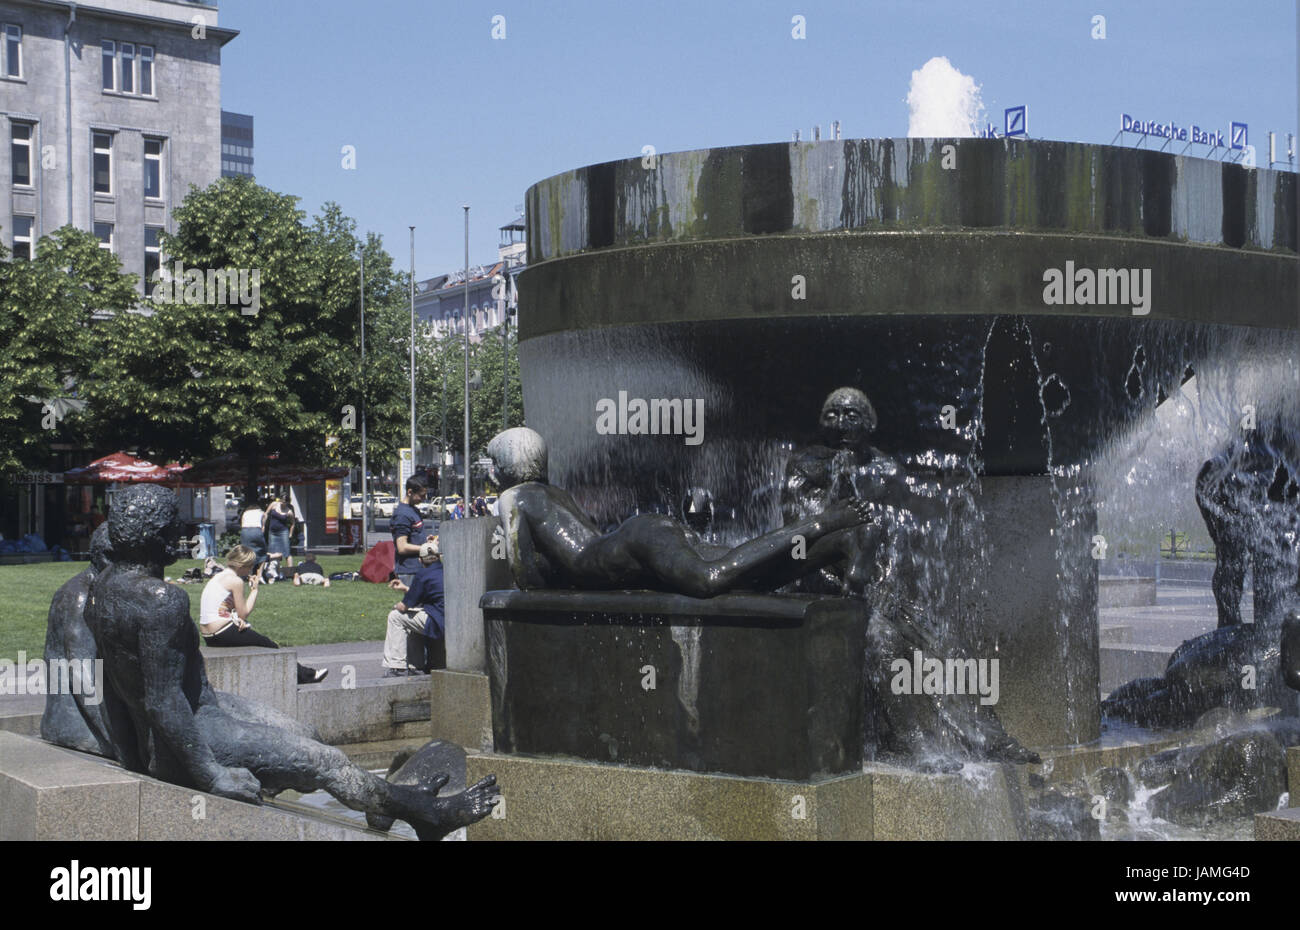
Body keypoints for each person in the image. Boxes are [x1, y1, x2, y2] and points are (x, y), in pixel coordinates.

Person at [81, 484, 498, 837]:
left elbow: (115, 689)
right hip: (199, 733)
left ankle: (378, 801)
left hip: (184, 726)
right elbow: (163, 701)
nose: (178, 532)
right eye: (172, 526)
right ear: (158, 534)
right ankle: (428, 815)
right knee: (324, 760)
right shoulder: (161, 601)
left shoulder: (102, 591)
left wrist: (129, 756)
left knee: (304, 731)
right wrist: (212, 775)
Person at [781, 387, 1039, 768]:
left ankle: (988, 736)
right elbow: (801, 540)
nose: (841, 423)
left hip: (879, 587)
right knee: (880, 638)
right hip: (825, 589)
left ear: (870, 424)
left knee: (941, 638)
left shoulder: (887, 470)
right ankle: (911, 744)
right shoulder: (805, 466)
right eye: (832, 414)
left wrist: (888, 585)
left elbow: (903, 540)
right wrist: (848, 587)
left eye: (851, 415)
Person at [488, 427, 873, 598]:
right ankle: (836, 546)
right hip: (637, 539)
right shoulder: (554, 492)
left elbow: (526, 575)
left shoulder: (514, 498)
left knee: (711, 579)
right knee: (745, 577)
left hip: (635, 545)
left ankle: (825, 522)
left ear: (505, 466)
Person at [199, 545, 328, 684]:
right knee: (268, 645)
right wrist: (254, 590)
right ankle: (307, 676)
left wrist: (233, 619)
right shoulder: (235, 581)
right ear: (242, 565)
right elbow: (244, 614)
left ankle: (296, 675)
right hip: (222, 632)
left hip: (208, 634)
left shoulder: (218, 576)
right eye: (250, 566)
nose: (251, 570)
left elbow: (218, 608)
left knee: (255, 642)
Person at [383, 539, 445, 677]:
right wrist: (405, 588)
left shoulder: (423, 574)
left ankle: (397, 666)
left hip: (437, 622)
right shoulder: (445, 572)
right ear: (439, 557)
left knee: (396, 617)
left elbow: (405, 606)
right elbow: (427, 594)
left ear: (420, 560)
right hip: (449, 619)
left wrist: (396, 606)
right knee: (415, 617)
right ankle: (416, 666)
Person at [389, 478, 430, 591]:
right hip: (409, 570)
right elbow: (402, 547)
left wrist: (426, 540)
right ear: (410, 492)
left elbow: (414, 536)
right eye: (421, 495)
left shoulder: (413, 510)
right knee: (414, 606)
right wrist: (427, 548)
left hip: (419, 567)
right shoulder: (402, 515)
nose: (424, 499)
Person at [239, 499, 270, 577]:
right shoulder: (261, 512)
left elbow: (242, 524)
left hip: (245, 531)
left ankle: (249, 574)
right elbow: (263, 526)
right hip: (256, 530)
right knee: (263, 554)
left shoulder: (245, 513)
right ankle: (259, 575)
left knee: (247, 553)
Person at [264, 495, 296, 569]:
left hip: (283, 532)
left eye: (284, 502)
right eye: (281, 500)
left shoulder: (289, 512)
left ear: (287, 502)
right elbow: (266, 513)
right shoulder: (274, 504)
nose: (282, 503)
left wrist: (290, 534)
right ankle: (272, 570)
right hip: (272, 532)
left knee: (286, 552)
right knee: (272, 551)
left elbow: (293, 523)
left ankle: (290, 571)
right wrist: (264, 525)